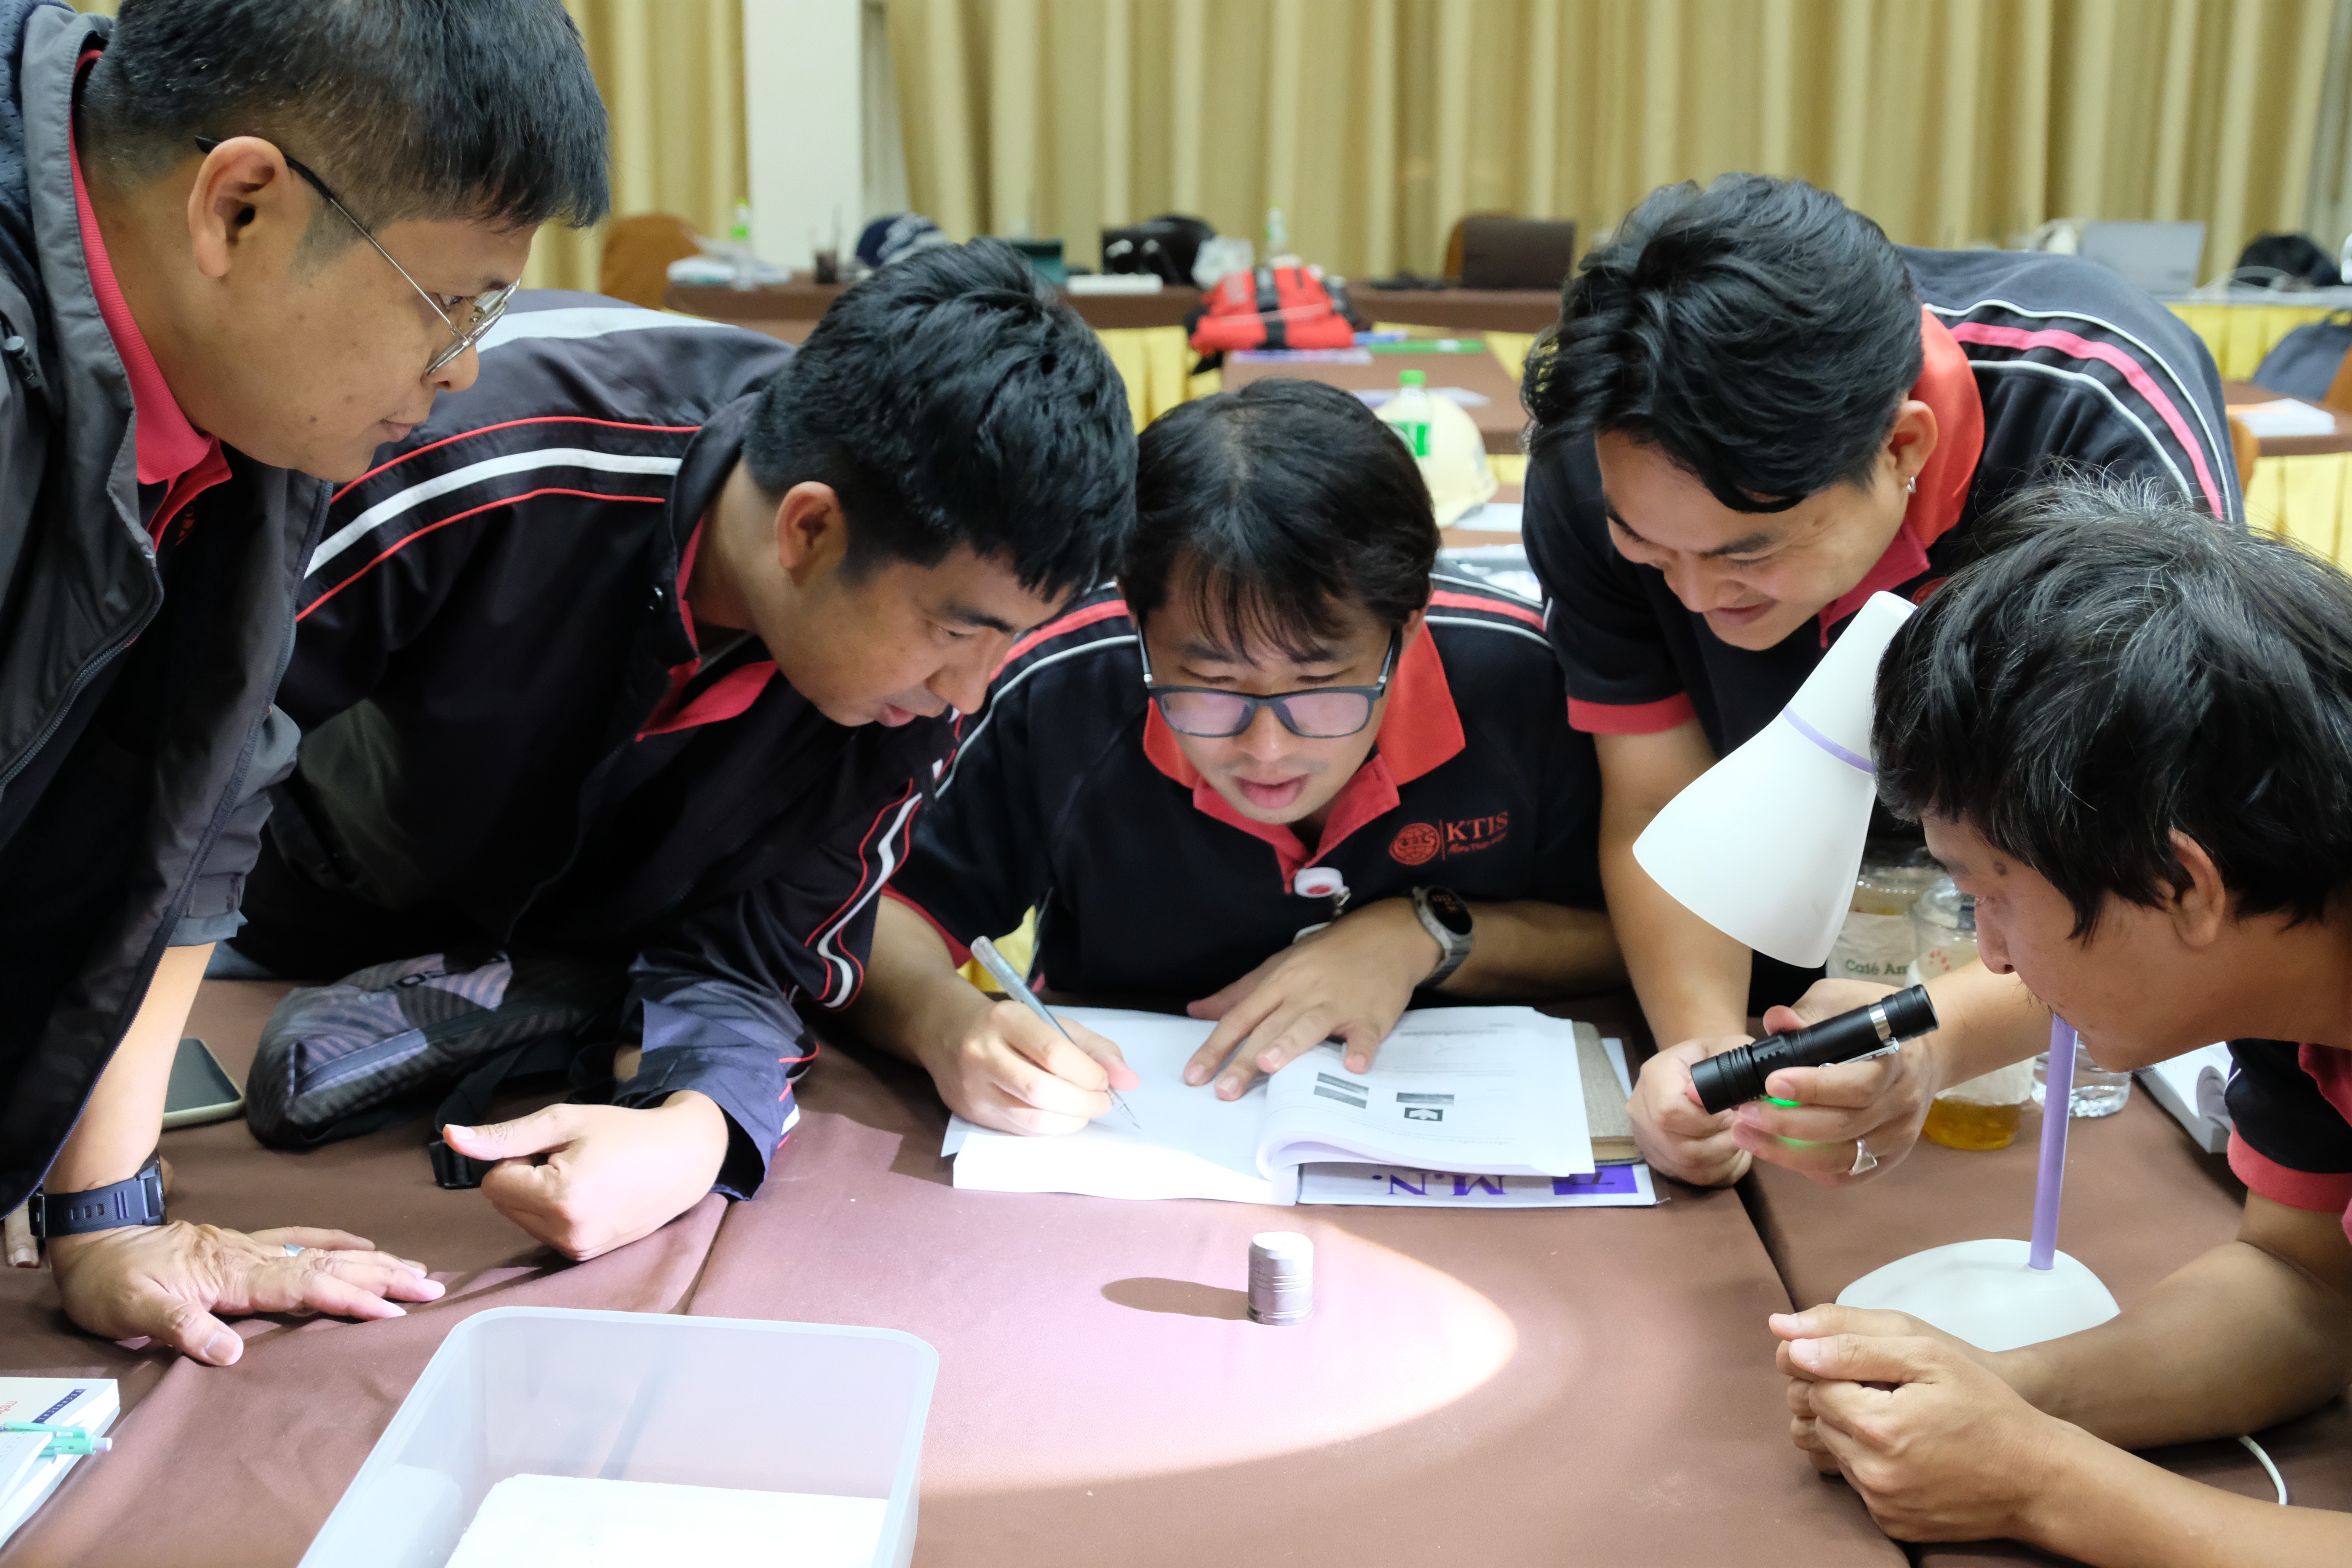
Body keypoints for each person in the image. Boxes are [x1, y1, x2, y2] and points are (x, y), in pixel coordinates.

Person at [225, 243, 1137, 1257]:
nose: (969, 691)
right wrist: (108, 1202)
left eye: (1009, 642)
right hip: (285, 914)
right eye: (959, 631)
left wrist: (694, 1131)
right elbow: (184, 763)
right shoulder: (478, 455)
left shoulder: (910, 675)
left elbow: (763, 945)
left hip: (559, 976)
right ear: (808, 531)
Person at [0, 0, 606, 1364]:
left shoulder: (251, 396)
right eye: (445, 304)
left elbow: (202, 787)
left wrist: (108, 1214)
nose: (460, 368)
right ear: (241, 208)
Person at [1516, 173, 2239, 1190]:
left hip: (2049, 929)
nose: (1694, 597)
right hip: (1787, 933)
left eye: (1745, 554)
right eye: (1648, 552)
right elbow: (1655, 802)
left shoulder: (2089, 425)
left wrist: (1935, 1045)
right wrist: (1706, 1057)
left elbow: (2145, 868)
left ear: (1902, 446)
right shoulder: (1599, 462)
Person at [1771, 478, 2352, 1563]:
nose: (1990, 959)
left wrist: (2044, 1487)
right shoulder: (2298, 967)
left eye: (1989, 895)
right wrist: (1999, 1396)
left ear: (2178, 885)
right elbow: (2313, 1288)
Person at [848, 379, 1622, 1132]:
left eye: (1320, 686)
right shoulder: (1058, 685)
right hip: (1125, 1128)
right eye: (1212, 687)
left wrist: (1426, 934)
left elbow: (1638, 929)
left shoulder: (1526, 682)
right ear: (1137, 618)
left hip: (1473, 1131)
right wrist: (946, 1022)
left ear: (1408, 625)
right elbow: (872, 913)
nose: (1268, 749)